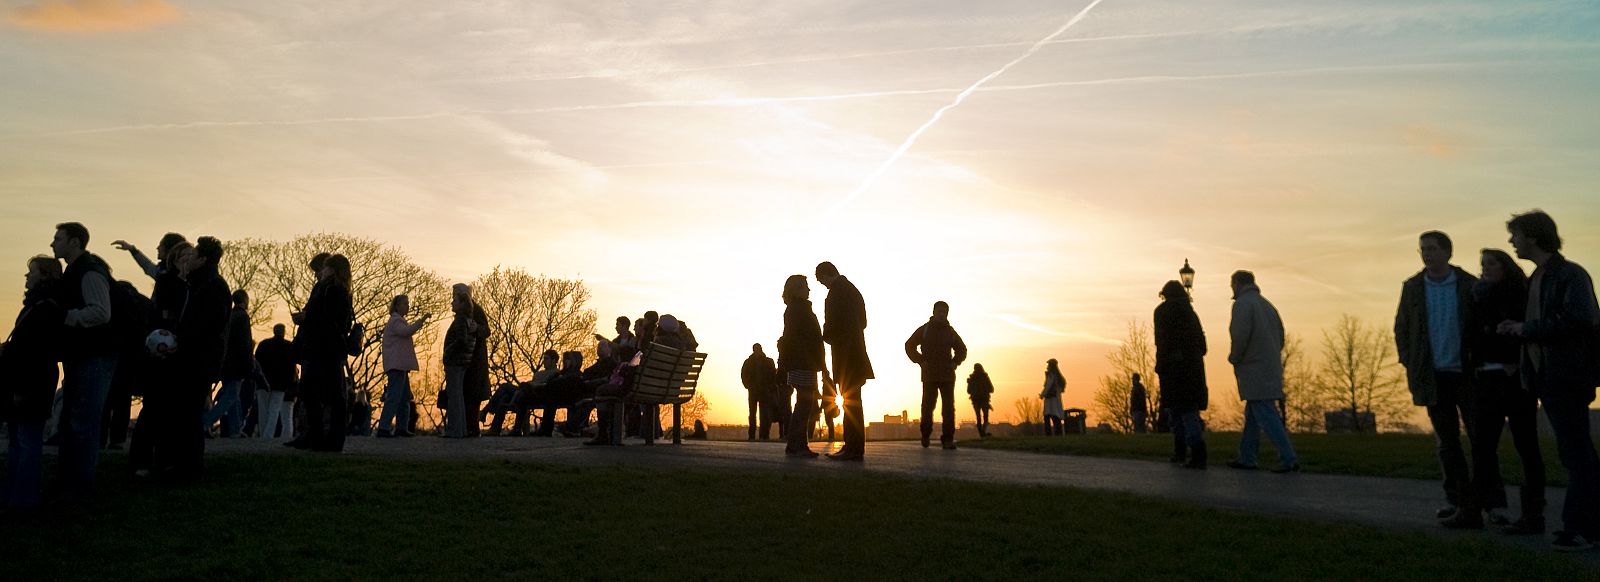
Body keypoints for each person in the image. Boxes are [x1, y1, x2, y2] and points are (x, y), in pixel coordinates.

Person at [1498, 211, 1600, 551]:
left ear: (1533, 236)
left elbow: (1581, 319)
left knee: (1577, 455)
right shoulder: (1538, 276)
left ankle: (1583, 528)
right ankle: (1583, 526)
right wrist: (1519, 328)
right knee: (1574, 453)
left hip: (1567, 377)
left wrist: (1527, 329)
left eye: (1515, 235)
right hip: (1547, 377)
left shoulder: (1569, 274)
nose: (1511, 241)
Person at [1394, 231, 1480, 525]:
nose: (1426, 254)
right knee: (1447, 442)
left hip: (1468, 374)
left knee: (1480, 441)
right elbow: (1401, 328)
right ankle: (1455, 500)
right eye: (1422, 250)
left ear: (1447, 251)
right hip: (1433, 375)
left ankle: (1489, 502)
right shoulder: (1413, 287)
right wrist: (1410, 362)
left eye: (1431, 248)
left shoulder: (1469, 285)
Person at [1470, 248, 1544, 535]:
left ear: (1505, 266)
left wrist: (1513, 359)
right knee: (1482, 445)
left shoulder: (1519, 293)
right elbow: (1474, 331)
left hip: (1514, 378)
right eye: (1483, 264)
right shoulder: (1478, 294)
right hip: (1485, 376)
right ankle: (1482, 506)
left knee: (1526, 444)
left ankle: (1533, 512)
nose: (1486, 268)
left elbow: (1525, 330)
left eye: (1492, 263)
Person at [50, 222, 121, 498]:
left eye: (58, 238)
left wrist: (69, 318)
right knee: (74, 420)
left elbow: (101, 312)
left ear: (75, 242)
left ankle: (79, 486)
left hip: (95, 355)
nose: (53, 243)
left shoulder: (89, 272)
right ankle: (71, 482)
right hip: (84, 355)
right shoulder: (78, 271)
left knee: (84, 421)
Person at [2, 256, 65, 512]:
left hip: (30, 384)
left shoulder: (43, 308)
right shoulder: (42, 306)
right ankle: (17, 497)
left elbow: (34, 353)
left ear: (45, 276)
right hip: (31, 383)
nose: (27, 277)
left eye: (32, 272)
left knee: (25, 442)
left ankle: (22, 499)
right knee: (21, 440)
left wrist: (21, 389)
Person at [1224, 274, 1300, 473]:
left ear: (1238, 284)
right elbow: (1281, 337)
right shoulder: (1267, 306)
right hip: (1270, 365)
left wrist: (1234, 357)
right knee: (1254, 413)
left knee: (1265, 412)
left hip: (1253, 366)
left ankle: (1288, 457)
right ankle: (1247, 456)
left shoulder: (1242, 305)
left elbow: (1239, 336)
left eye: (1232, 284)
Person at [171, 237, 232, 477]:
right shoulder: (202, 284)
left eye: (194, 255)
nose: (189, 259)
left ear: (203, 259)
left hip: (198, 357)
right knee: (187, 410)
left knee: (189, 411)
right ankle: (186, 462)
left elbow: (207, 325)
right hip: (197, 354)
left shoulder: (210, 286)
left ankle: (190, 464)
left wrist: (181, 340)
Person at [292, 254, 353, 453]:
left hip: (322, 349)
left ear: (332, 269)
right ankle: (328, 439)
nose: (321, 271)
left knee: (315, 393)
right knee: (330, 396)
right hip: (330, 349)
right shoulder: (339, 290)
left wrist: (306, 317)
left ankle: (322, 438)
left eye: (325, 267)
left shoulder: (330, 289)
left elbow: (325, 317)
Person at [816, 261, 871, 461]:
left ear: (825, 275)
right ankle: (854, 446)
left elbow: (832, 325)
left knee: (851, 402)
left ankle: (852, 447)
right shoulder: (852, 291)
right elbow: (863, 322)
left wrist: (828, 335)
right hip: (855, 352)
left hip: (845, 355)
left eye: (822, 281)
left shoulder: (836, 293)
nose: (824, 285)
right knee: (853, 401)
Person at [1155, 279, 1208, 469]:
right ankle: (1196, 452)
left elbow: (1161, 342)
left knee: (1178, 411)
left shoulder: (1162, 312)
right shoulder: (1191, 313)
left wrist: (1161, 365)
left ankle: (1183, 452)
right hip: (1193, 367)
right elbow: (1202, 344)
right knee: (1189, 410)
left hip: (1173, 369)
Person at [905, 301, 968, 449]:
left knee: (948, 409)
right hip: (929, 376)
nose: (942, 314)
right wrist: (920, 361)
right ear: (934, 312)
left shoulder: (950, 332)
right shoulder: (924, 330)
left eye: (944, 312)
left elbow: (962, 349)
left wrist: (955, 362)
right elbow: (909, 345)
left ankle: (948, 439)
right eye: (939, 311)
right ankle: (925, 435)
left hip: (947, 376)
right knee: (927, 407)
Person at [779, 275, 827, 458]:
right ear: (797, 289)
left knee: (804, 403)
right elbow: (795, 338)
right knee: (804, 403)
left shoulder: (796, 309)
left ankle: (798, 444)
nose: (808, 290)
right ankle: (797, 444)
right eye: (805, 287)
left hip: (803, 362)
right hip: (803, 363)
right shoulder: (798, 310)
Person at [201, 290, 253, 438]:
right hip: (237, 363)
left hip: (225, 363)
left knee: (233, 396)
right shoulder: (243, 317)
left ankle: (235, 429)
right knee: (232, 395)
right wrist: (248, 364)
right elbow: (245, 344)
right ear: (245, 300)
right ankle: (206, 421)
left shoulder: (228, 316)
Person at [378, 294, 428, 438]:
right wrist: (421, 320)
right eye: (405, 303)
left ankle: (401, 427)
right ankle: (384, 428)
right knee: (394, 397)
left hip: (400, 366)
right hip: (397, 366)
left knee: (404, 397)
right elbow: (406, 332)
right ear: (397, 306)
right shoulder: (396, 321)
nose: (408, 306)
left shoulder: (398, 321)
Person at [441, 284, 477, 439]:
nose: (452, 303)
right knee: (458, 396)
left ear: (462, 303)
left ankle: (454, 430)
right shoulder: (468, 319)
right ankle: (460, 429)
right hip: (462, 362)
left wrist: (448, 351)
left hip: (455, 361)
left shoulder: (461, 320)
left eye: (454, 301)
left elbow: (461, 340)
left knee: (454, 397)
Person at [254, 324, 296, 439]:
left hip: (263, 382)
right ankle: (268, 435)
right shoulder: (288, 346)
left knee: (263, 410)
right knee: (274, 410)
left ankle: (263, 433)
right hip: (280, 384)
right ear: (283, 332)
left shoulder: (263, 345)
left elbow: (256, 363)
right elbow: (291, 367)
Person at [741, 343, 776, 440]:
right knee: (756, 414)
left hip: (761, 390)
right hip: (756, 390)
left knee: (761, 414)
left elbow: (773, 375)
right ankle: (758, 435)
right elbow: (744, 374)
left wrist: (748, 385)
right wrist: (748, 385)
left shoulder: (749, 362)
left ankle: (761, 435)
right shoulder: (767, 361)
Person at [966, 364, 994, 438]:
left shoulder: (971, 378)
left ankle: (981, 433)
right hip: (984, 400)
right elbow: (991, 389)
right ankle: (983, 433)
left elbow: (968, 391)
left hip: (975, 401)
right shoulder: (985, 377)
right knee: (985, 418)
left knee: (978, 418)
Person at [1040, 360, 1066, 436]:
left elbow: (1047, 386)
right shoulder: (1059, 377)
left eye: (1048, 365)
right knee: (1055, 416)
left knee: (1048, 416)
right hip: (1056, 399)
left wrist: (1042, 395)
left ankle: (1049, 434)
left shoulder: (1051, 375)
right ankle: (1058, 433)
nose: (1047, 367)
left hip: (1050, 399)